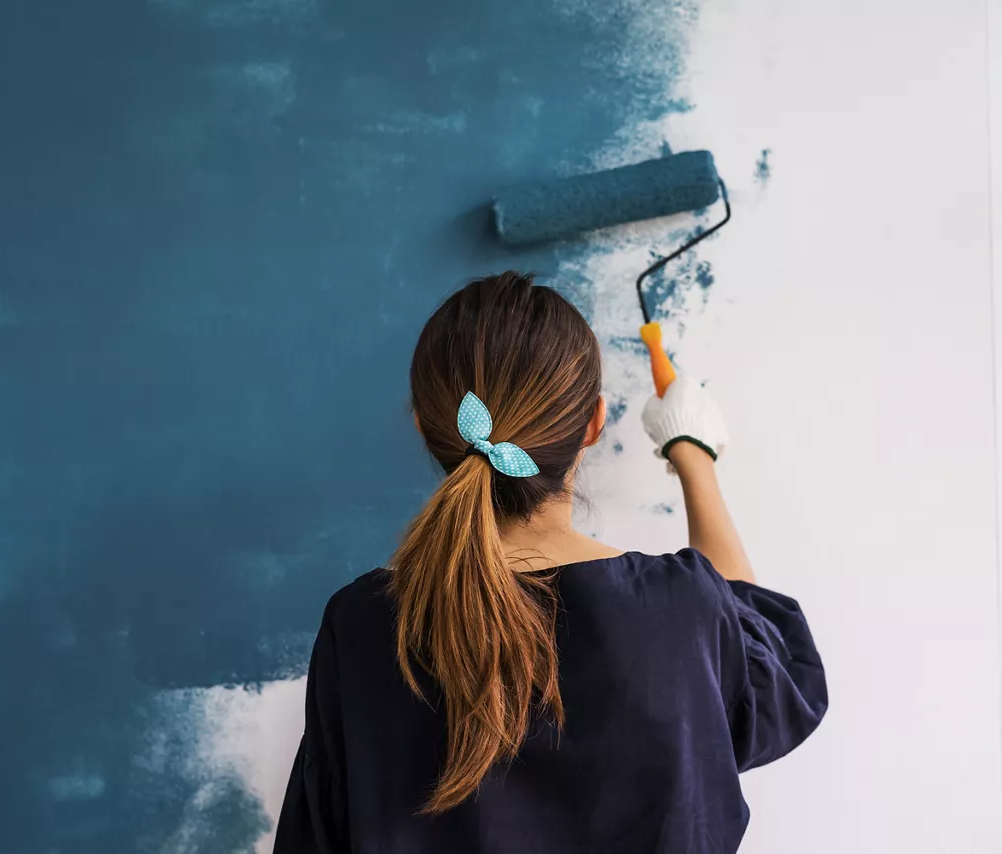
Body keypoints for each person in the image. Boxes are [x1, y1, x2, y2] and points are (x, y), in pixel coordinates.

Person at [273, 272, 827, 854]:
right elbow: (772, 677)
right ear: (594, 423)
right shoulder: (676, 610)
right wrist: (693, 453)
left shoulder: (361, 627)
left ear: (424, 427)